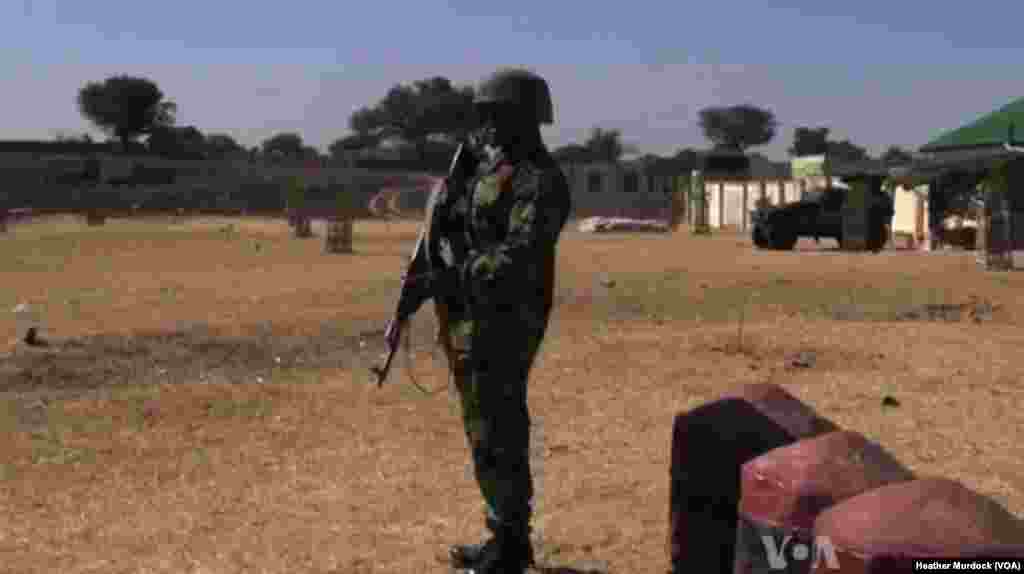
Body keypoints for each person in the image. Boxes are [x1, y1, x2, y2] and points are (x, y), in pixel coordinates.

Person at [434, 68, 572, 573]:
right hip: (476, 315)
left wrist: (456, 273)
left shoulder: (540, 181)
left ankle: (512, 545)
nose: (487, 126)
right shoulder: (489, 173)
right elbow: (464, 225)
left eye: (495, 115)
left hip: (509, 320)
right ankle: (501, 531)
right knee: (482, 426)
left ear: (523, 117)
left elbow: (520, 258)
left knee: (500, 427)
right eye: (484, 116)